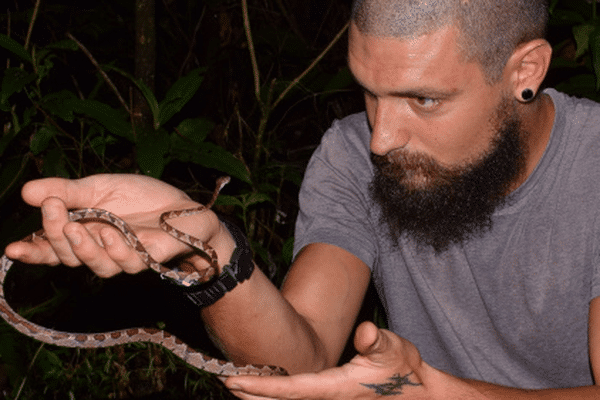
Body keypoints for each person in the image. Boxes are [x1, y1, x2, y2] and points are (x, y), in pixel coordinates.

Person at [6, 0, 600, 398]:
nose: (381, 139)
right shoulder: (348, 154)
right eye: (369, 93)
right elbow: (298, 367)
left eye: (424, 100)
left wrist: (436, 392)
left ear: (526, 69)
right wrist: (210, 255)